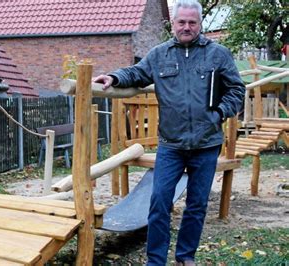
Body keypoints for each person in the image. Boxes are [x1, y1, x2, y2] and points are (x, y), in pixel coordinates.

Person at [93, 0, 245, 265]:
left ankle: (185, 256)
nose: (186, 27)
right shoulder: (159, 54)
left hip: (206, 143)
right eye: (181, 22)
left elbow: (237, 90)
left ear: (200, 24)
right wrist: (113, 78)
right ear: (173, 23)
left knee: (196, 206)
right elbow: (137, 73)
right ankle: (156, 260)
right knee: (159, 202)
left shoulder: (218, 54)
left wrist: (219, 113)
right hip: (171, 145)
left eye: (192, 22)